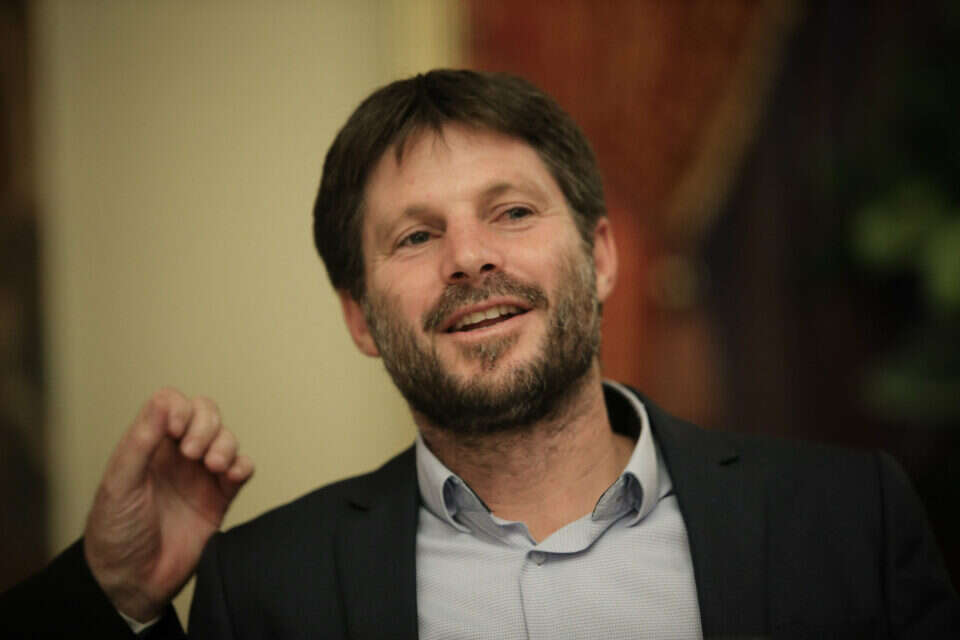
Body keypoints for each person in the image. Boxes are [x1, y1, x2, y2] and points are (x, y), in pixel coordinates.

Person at [2, 69, 958, 639]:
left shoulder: (850, 524)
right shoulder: (264, 587)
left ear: (601, 257)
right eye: (416, 236)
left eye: (511, 212)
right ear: (361, 318)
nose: (469, 258)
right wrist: (112, 593)